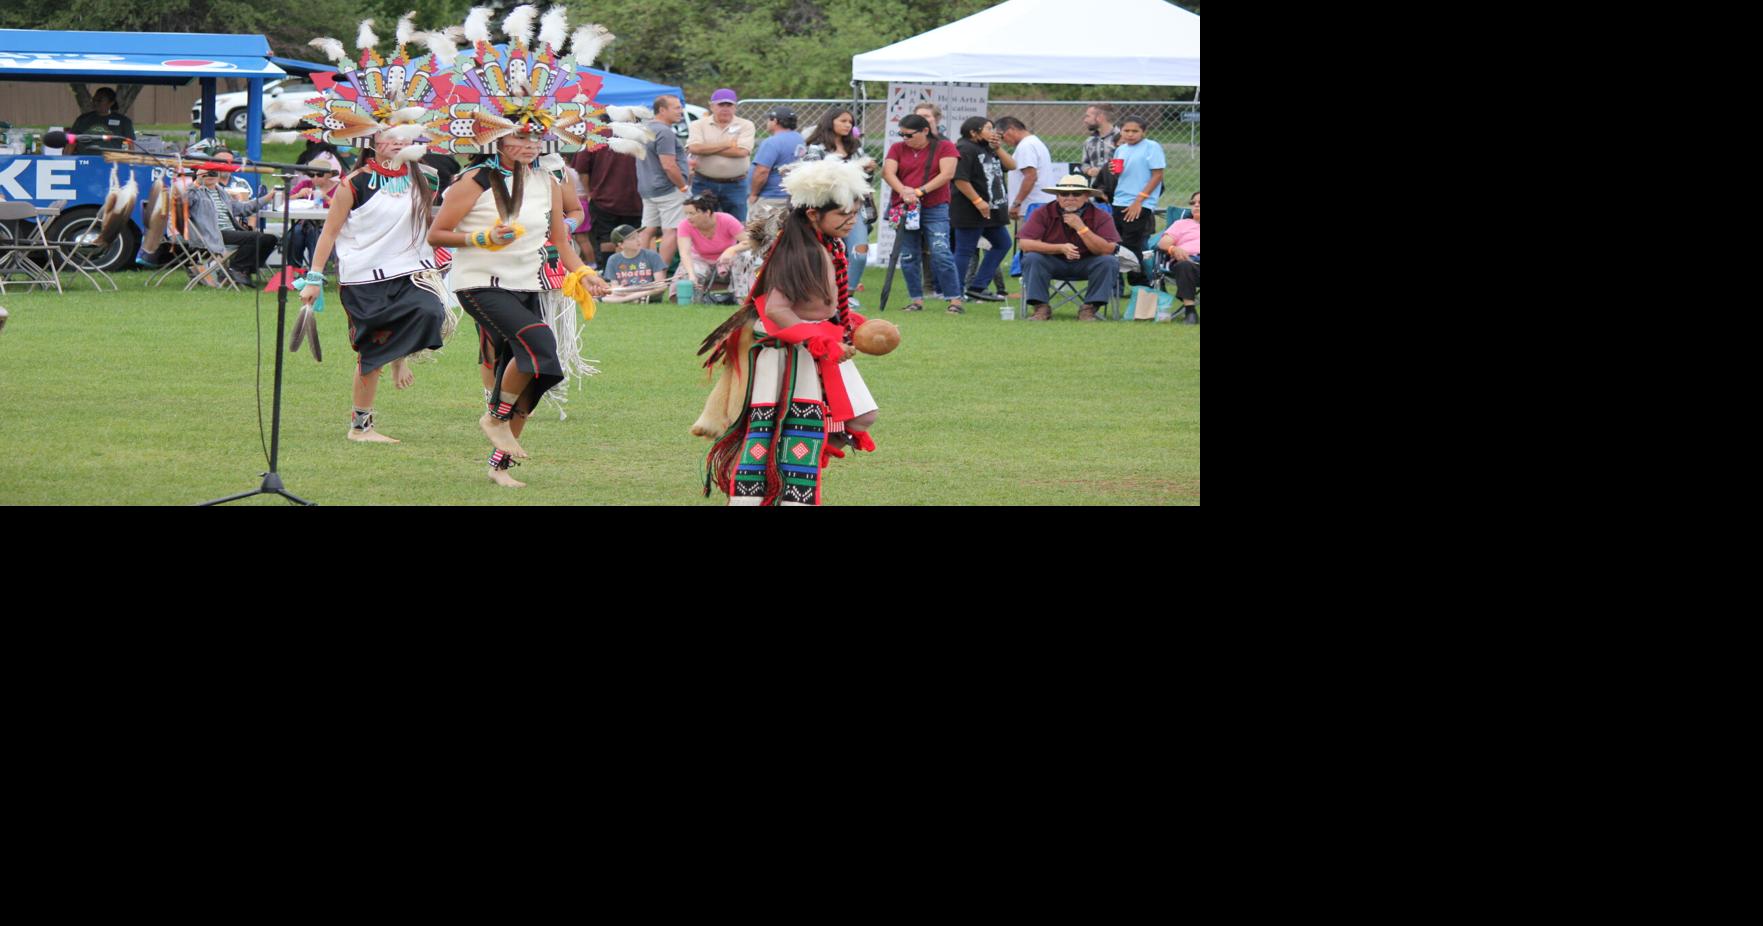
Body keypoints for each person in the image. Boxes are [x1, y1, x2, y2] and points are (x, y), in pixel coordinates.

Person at [694, 159, 879, 506]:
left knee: (859, 416)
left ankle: (804, 470)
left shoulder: (827, 245)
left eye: (855, 213)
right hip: (790, 354)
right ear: (813, 214)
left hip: (818, 347)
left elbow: (820, 303)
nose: (851, 220)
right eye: (843, 213)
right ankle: (771, 494)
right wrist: (815, 338)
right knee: (772, 435)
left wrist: (849, 323)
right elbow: (777, 308)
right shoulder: (801, 252)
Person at [298, 132, 448, 444]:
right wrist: (314, 279)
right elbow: (329, 233)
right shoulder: (353, 183)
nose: (397, 142)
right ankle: (360, 427)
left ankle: (400, 354)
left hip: (410, 271)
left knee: (430, 311)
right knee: (371, 354)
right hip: (363, 277)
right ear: (372, 143)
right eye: (388, 137)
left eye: (402, 136)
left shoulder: (427, 179)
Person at [881, 113, 962, 313]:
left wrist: (918, 191)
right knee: (908, 255)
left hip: (935, 206)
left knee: (941, 251)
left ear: (925, 131)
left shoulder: (945, 147)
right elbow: (888, 172)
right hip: (905, 206)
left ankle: (955, 300)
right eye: (901, 134)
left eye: (909, 135)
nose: (904, 139)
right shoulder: (897, 148)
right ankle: (916, 300)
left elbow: (947, 174)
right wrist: (903, 191)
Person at [1017, 175, 1120, 322]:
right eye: (1064, 194)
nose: (1069, 198)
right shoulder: (1042, 212)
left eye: (1076, 194)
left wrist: (1082, 228)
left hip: (1087, 262)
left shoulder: (1101, 216)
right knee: (1032, 258)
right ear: (1058, 197)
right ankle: (1041, 308)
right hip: (1052, 262)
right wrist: (1060, 248)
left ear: (1086, 196)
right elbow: (1025, 243)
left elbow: (1108, 249)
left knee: (1109, 262)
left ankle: (1089, 309)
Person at [801, 107, 873, 291]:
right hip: (828, 209)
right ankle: (827, 293)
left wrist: (868, 171)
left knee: (860, 252)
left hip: (855, 208)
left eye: (850, 122)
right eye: (843, 121)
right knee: (827, 254)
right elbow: (811, 179)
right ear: (830, 122)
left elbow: (866, 183)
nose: (848, 125)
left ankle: (848, 296)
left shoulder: (856, 148)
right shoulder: (816, 149)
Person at [949, 116, 1015, 310]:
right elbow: (960, 179)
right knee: (965, 250)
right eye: (988, 128)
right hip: (970, 209)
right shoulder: (965, 148)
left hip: (992, 210)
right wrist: (978, 201)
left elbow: (1012, 165)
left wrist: (997, 148)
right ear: (973, 132)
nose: (993, 132)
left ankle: (977, 286)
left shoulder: (987, 148)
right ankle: (956, 293)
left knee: (1003, 243)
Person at [183, 149, 277, 285]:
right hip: (212, 233)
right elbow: (182, 203)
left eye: (214, 172)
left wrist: (267, 198)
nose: (211, 175)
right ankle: (235, 269)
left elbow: (243, 209)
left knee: (270, 239)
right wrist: (197, 182)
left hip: (229, 232)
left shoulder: (222, 193)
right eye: (207, 173)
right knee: (254, 238)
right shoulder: (195, 192)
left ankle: (244, 270)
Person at [1109, 115, 1165, 286]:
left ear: (1143, 132)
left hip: (1140, 203)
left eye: (1135, 131)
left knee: (1131, 244)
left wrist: (1139, 201)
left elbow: (1158, 175)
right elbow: (1123, 174)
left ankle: (1140, 283)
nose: (1130, 134)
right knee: (1116, 243)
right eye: (1126, 130)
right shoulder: (1121, 149)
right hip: (1120, 201)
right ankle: (1117, 284)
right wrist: (1114, 171)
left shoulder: (1152, 147)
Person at [637, 94, 691, 266]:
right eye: (676, 107)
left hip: (647, 188)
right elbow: (668, 165)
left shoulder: (645, 128)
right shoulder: (664, 131)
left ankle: (642, 271)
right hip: (667, 189)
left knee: (648, 229)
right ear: (662, 110)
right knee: (673, 230)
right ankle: (661, 274)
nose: (681, 111)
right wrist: (683, 186)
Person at [687, 88, 755, 223]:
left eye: (729, 105)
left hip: (735, 184)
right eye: (721, 105)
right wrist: (727, 144)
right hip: (704, 182)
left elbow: (742, 152)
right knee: (702, 222)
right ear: (712, 106)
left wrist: (706, 148)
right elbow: (694, 148)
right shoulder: (698, 124)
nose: (725, 108)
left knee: (737, 224)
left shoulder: (746, 125)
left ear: (735, 107)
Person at [996, 115, 1053, 277]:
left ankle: (1031, 281)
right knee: (1039, 245)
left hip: (1031, 206)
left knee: (1030, 246)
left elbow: (1030, 176)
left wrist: (1017, 203)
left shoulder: (1026, 146)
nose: (1003, 140)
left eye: (1002, 136)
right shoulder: (1034, 142)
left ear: (1011, 130)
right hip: (1039, 203)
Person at [575, 139, 644, 270]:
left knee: (606, 237)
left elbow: (582, 169)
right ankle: (632, 271)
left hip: (604, 196)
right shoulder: (635, 134)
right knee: (632, 236)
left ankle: (609, 272)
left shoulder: (595, 137)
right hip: (634, 197)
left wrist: (590, 193)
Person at [282, 151, 343, 272]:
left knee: (314, 234)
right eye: (311, 174)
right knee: (293, 235)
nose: (315, 178)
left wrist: (327, 198)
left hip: (328, 226)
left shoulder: (339, 187)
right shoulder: (305, 184)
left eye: (319, 174)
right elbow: (285, 200)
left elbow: (342, 208)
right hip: (304, 223)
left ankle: (316, 271)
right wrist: (299, 194)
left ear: (329, 175)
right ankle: (294, 270)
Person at [676, 193, 743, 301]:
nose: (688, 218)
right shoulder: (684, 225)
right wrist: (691, 275)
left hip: (727, 260)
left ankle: (743, 298)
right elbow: (684, 253)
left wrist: (732, 249)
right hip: (700, 260)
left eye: (692, 213)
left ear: (707, 212)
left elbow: (750, 241)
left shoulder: (727, 219)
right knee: (690, 273)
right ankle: (695, 302)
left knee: (746, 257)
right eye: (686, 214)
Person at [747, 106, 804, 223]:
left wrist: (753, 194)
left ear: (776, 121)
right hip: (793, 196)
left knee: (763, 236)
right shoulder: (799, 138)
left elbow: (762, 171)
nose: (767, 122)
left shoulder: (772, 142)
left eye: (769, 119)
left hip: (772, 198)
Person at [1157, 190, 1199, 324]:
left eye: (1200, 203)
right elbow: (1163, 243)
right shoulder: (1182, 224)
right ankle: (1190, 312)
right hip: (1189, 263)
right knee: (1185, 265)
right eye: (1193, 203)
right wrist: (1173, 248)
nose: (1196, 206)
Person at [600, 223, 669, 303]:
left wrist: (638, 292)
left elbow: (660, 283)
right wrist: (621, 290)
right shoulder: (613, 260)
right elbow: (615, 287)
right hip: (625, 293)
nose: (638, 240)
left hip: (648, 292)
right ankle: (635, 299)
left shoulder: (652, 256)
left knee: (661, 286)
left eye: (638, 236)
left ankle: (628, 300)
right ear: (621, 244)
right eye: (633, 238)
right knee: (612, 292)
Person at [1080, 103, 1121, 208]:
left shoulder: (1122, 137)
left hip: (1118, 191)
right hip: (1096, 193)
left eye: (1088, 116)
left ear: (1100, 117)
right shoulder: (1089, 141)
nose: (1085, 120)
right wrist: (1089, 170)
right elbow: (1084, 164)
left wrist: (1104, 172)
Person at [69, 87, 135, 149]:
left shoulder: (124, 121)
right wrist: (66, 158)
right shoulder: (82, 119)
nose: (95, 102)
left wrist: (129, 160)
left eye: (99, 100)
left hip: (111, 160)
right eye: (94, 99)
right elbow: (71, 141)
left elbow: (131, 146)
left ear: (111, 103)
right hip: (85, 160)